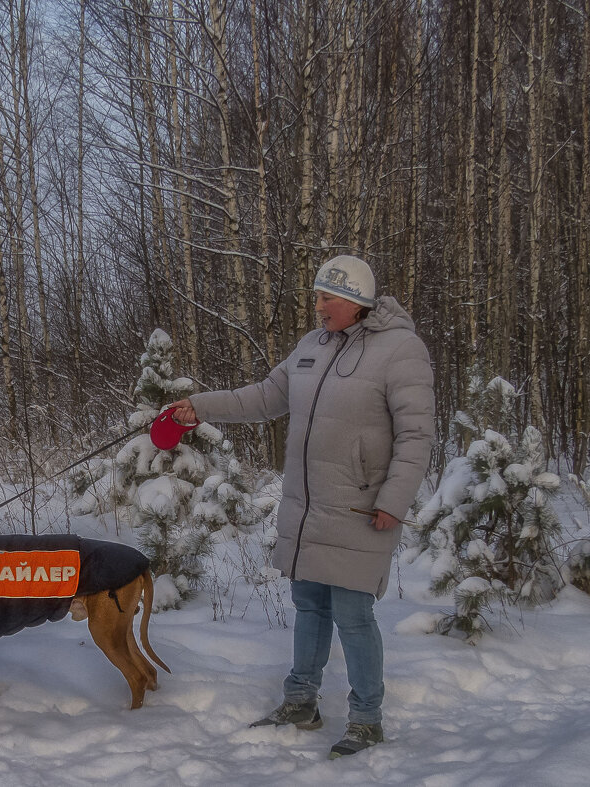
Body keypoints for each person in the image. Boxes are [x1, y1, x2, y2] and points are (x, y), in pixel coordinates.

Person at [167, 254, 435, 759]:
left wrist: (394, 502)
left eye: (326, 297)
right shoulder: (311, 347)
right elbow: (263, 398)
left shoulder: (401, 350)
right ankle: (300, 703)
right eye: (317, 296)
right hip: (308, 507)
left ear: (354, 299)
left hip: (362, 508)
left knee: (354, 614)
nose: (317, 307)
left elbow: (417, 436)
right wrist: (201, 406)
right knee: (309, 604)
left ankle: (366, 718)